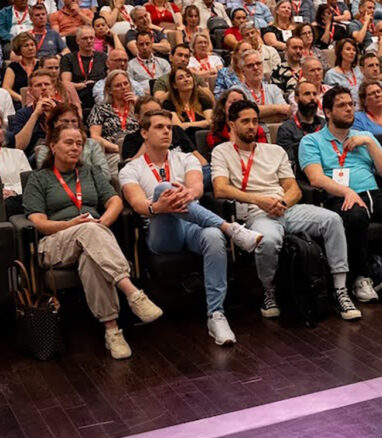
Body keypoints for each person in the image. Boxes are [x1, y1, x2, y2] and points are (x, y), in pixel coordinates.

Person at [120, 109, 262, 346]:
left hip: (193, 225)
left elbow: (196, 189)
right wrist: (159, 205)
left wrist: (182, 195)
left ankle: (216, 315)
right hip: (161, 232)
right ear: (144, 133)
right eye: (159, 127)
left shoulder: (186, 158)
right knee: (162, 187)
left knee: (214, 237)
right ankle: (230, 227)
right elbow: (138, 204)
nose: (167, 131)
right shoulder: (131, 169)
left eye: (169, 126)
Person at [23, 121, 162, 359]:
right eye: (69, 142)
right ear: (53, 146)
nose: (75, 147)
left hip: (93, 238)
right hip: (54, 242)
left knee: (91, 260)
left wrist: (103, 223)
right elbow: (38, 222)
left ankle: (112, 330)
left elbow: (115, 202)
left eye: (79, 143)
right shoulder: (39, 178)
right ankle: (132, 293)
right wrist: (72, 225)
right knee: (89, 231)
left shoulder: (90, 172)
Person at [211, 99, 361, 322]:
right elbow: (220, 188)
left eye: (255, 121)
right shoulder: (221, 152)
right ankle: (269, 290)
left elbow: (293, 189)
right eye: (245, 121)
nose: (252, 126)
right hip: (256, 212)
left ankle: (340, 289)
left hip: (286, 209)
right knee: (267, 240)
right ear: (231, 124)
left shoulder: (274, 151)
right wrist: (260, 201)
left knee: (332, 219)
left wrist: (282, 203)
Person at [299, 86, 382, 304]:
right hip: (339, 196)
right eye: (342, 105)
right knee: (356, 216)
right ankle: (361, 276)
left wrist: (368, 142)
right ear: (327, 112)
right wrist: (347, 191)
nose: (349, 109)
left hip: (374, 193)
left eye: (351, 105)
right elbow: (316, 178)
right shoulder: (311, 141)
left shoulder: (365, 136)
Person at [87, 69, 138, 176]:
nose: (124, 88)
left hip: (138, 152)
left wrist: (138, 106)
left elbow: (150, 128)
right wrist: (118, 149)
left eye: (126, 83)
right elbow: (95, 136)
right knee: (121, 168)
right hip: (112, 153)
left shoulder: (139, 107)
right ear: (109, 90)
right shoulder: (100, 109)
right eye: (118, 86)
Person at [276, 79, 325, 174]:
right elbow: (288, 162)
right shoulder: (286, 129)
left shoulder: (324, 124)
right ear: (296, 99)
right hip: (301, 175)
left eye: (314, 94)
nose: (312, 98)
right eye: (307, 94)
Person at [233, 48, 291, 123]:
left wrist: (257, 115)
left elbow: (286, 111)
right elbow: (243, 114)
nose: (256, 68)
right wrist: (276, 110)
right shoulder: (237, 91)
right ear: (242, 71)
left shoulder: (273, 89)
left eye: (258, 63)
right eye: (250, 65)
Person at [59, 24, 106, 113]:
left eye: (91, 38)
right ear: (77, 41)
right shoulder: (68, 58)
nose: (89, 41)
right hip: (77, 97)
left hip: (99, 97)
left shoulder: (103, 57)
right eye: (85, 38)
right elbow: (65, 84)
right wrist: (82, 85)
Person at [3, 31, 38, 106]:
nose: (30, 48)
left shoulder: (41, 64)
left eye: (32, 45)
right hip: (19, 103)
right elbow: (6, 88)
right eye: (26, 46)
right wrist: (21, 98)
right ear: (19, 49)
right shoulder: (13, 67)